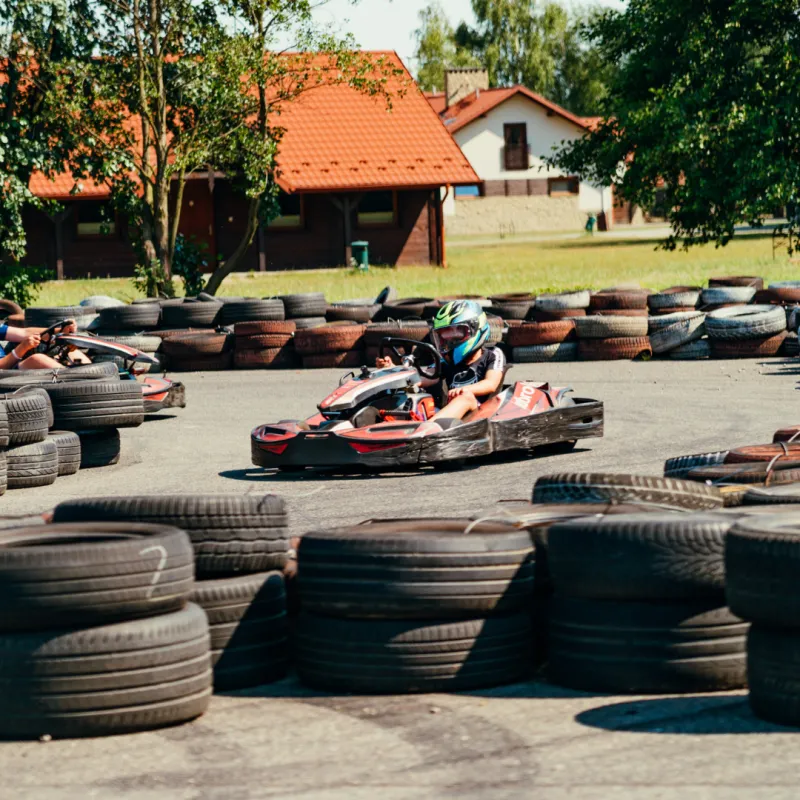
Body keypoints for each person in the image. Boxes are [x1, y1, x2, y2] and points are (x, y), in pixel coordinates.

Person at [376, 300, 506, 422]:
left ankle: (425, 431)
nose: (450, 341)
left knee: (465, 398)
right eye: (446, 335)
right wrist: (392, 370)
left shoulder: (493, 354)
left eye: (458, 333)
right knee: (414, 396)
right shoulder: (447, 362)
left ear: (476, 328)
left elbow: (491, 383)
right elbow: (421, 377)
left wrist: (464, 389)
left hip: (480, 414)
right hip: (452, 418)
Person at [0, 319, 85, 370]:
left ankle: (93, 379)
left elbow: (24, 332)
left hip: (11, 369)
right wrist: (22, 347)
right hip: (5, 376)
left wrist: (60, 331)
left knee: (72, 352)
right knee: (36, 359)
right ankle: (76, 381)